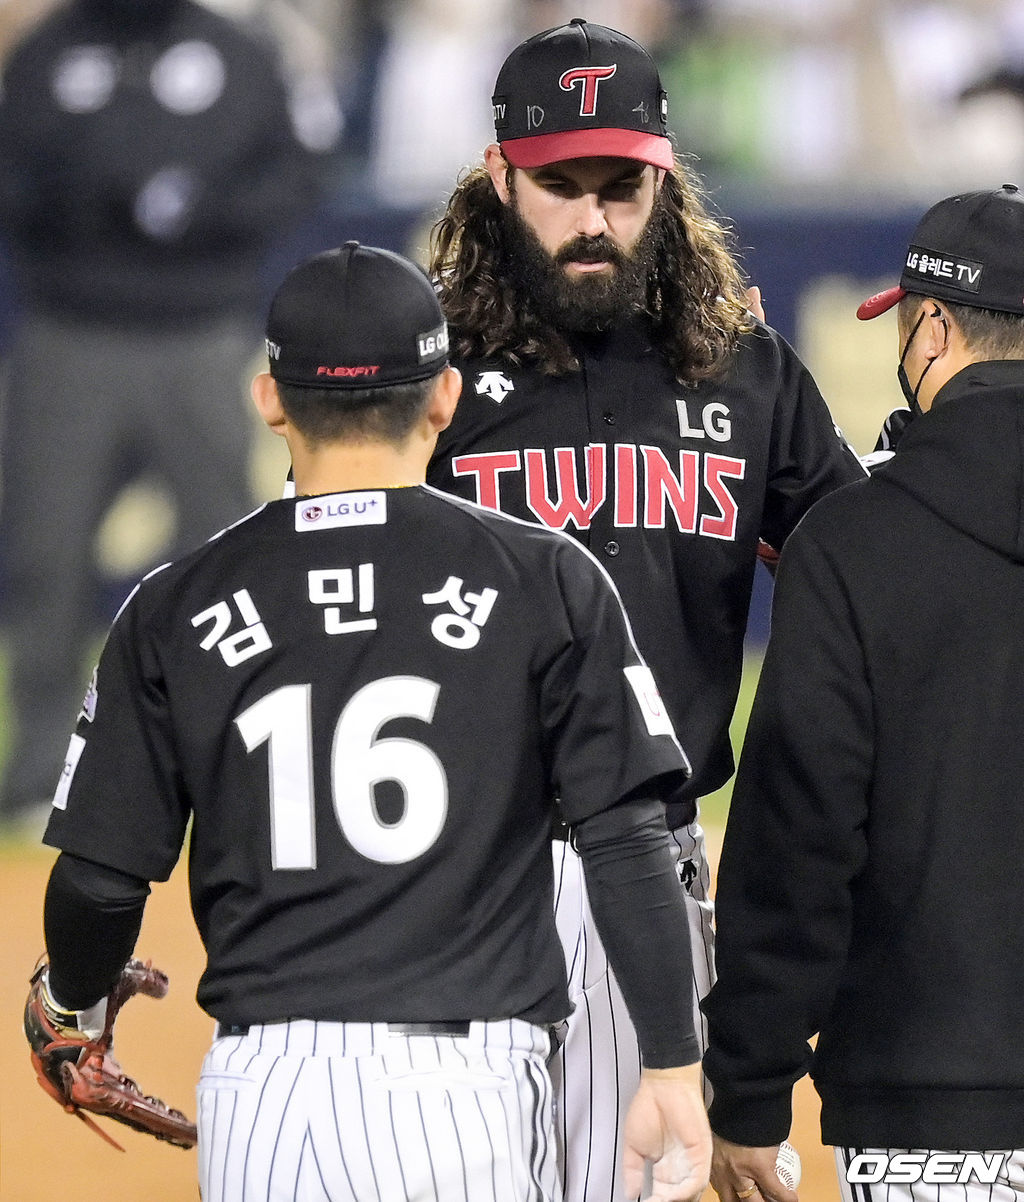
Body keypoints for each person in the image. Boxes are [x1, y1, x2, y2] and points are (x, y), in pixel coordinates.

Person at [29, 242, 713, 1202]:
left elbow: (101, 888)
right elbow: (626, 836)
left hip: (259, 1097)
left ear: (269, 401)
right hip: (458, 1095)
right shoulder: (543, 578)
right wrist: (674, 1064)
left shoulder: (173, 605)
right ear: (444, 399)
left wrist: (67, 1003)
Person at [425, 17, 866, 1200]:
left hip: (650, 868)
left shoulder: (748, 372)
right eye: (557, 186)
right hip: (447, 868)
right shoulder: (428, 380)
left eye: (621, 187)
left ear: (665, 181)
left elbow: (861, 585)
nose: (590, 220)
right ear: (496, 179)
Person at [702, 184, 1024, 1202]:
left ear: (930, 325)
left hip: (930, 1099)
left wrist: (745, 1083)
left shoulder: (854, 541)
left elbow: (800, 829)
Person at [0, 0, 337, 826]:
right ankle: (41, 765)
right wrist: (89, 201)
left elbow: (294, 174)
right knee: (47, 554)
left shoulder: (237, 53)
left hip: (201, 332)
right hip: (71, 329)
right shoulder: (49, 52)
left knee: (228, 555)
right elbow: (10, 173)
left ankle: (234, 758)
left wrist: (205, 211)